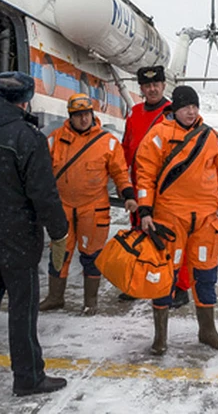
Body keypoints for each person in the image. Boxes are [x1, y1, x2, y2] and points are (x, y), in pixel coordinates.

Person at [0, 71, 70, 397]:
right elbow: (43, 193)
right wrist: (59, 230)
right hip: (18, 240)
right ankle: (28, 377)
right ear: (25, 99)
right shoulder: (27, 137)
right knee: (22, 310)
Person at [135, 85, 218, 356]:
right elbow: (144, 174)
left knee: (205, 274)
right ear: (175, 109)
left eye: (195, 106)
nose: (191, 111)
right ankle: (160, 337)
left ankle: (207, 331)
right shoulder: (158, 136)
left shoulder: (213, 137)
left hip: (205, 219)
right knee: (164, 276)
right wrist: (145, 210)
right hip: (170, 218)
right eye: (186, 107)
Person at [39, 93, 135, 316]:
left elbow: (120, 173)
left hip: (93, 209)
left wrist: (128, 195)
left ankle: (90, 302)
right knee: (59, 253)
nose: (83, 119)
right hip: (62, 208)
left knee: (91, 256)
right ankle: (55, 298)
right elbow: (41, 171)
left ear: (93, 115)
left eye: (87, 114)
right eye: (78, 115)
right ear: (70, 117)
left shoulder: (108, 142)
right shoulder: (54, 139)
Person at [119, 65, 192, 309]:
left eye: (156, 85)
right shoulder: (135, 113)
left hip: (167, 190)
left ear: (163, 86)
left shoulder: (173, 113)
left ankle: (179, 287)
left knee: (172, 240)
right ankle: (139, 281)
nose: (152, 89)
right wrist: (124, 184)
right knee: (140, 235)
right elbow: (126, 149)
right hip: (140, 188)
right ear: (140, 88)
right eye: (147, 86)